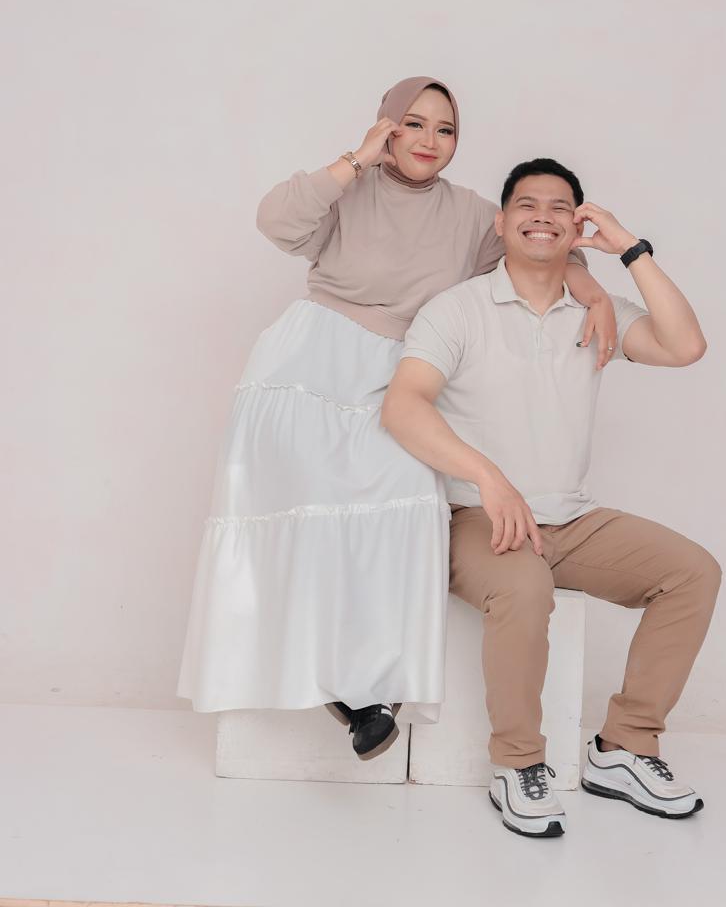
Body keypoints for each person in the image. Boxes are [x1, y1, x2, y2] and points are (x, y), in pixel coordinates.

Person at [177, 85, 617, 761]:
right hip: (310, 366)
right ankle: (305, 667)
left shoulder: (471, 213)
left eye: (445, 130)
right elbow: (276, 221)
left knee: (407, 501)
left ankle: (370, 688)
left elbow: (541, 249)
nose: (429, 141)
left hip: (399, 373)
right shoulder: (348, 190)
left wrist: (594, 293)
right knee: (303, 508)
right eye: (413, 124)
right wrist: (357, 159)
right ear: (387, 127)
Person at [381, 157, 720, 834]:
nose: (543, 215)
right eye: (527, 205)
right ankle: (516, 765)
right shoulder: (458, 309)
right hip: (476, 518)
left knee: (692, 573)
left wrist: (629, 249)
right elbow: (402, 406)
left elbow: (685, 346)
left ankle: (623, 748)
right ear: (501, 222)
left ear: (578, 226)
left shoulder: (595, 313)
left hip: (570, 519)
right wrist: (489, 478)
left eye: (560, 206)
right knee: (525, 585)